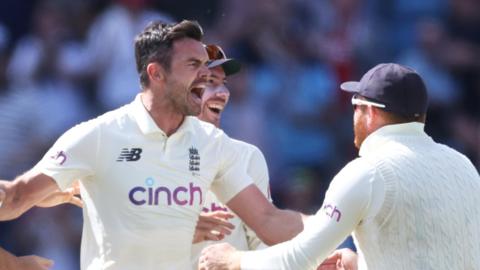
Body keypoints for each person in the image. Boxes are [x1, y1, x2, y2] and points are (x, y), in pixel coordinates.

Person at [0, 20, 305, 270]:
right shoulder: (98, 136)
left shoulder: (215, 144)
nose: (205, 75)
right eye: (194, 65)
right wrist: (10, 263)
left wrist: (342, 217)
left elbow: (268, 221)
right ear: (156, 74)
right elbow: (14, 198)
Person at [198, 63, 480, 270]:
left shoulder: (367, 173)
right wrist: (362, 264)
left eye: (355, 106)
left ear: (368, 111)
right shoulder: (464, 165)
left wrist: (235, 261)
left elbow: (298, 259)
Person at [191, 44, 270, 268]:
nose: (224, 93)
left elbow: (263, 242)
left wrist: (236, 261)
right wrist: (178, 231)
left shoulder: (248, 156)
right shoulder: (152, 154)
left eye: (223, 84)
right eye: (210, 83)